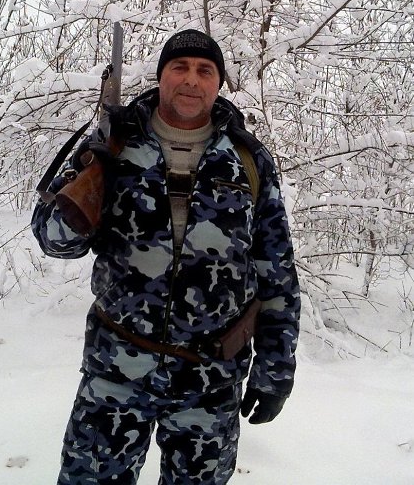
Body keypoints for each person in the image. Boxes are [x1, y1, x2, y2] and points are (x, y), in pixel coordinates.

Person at [32, 29, 300, 485]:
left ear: (218, 83)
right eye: (180, 67)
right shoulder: (113, 143)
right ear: (161, 77)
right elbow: (54, 241)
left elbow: (276, 272)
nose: (191, 79)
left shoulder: (248, 160)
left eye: (204, 70)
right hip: (116, 373)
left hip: (209, 381)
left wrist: (275, 370)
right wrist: (90, 181)